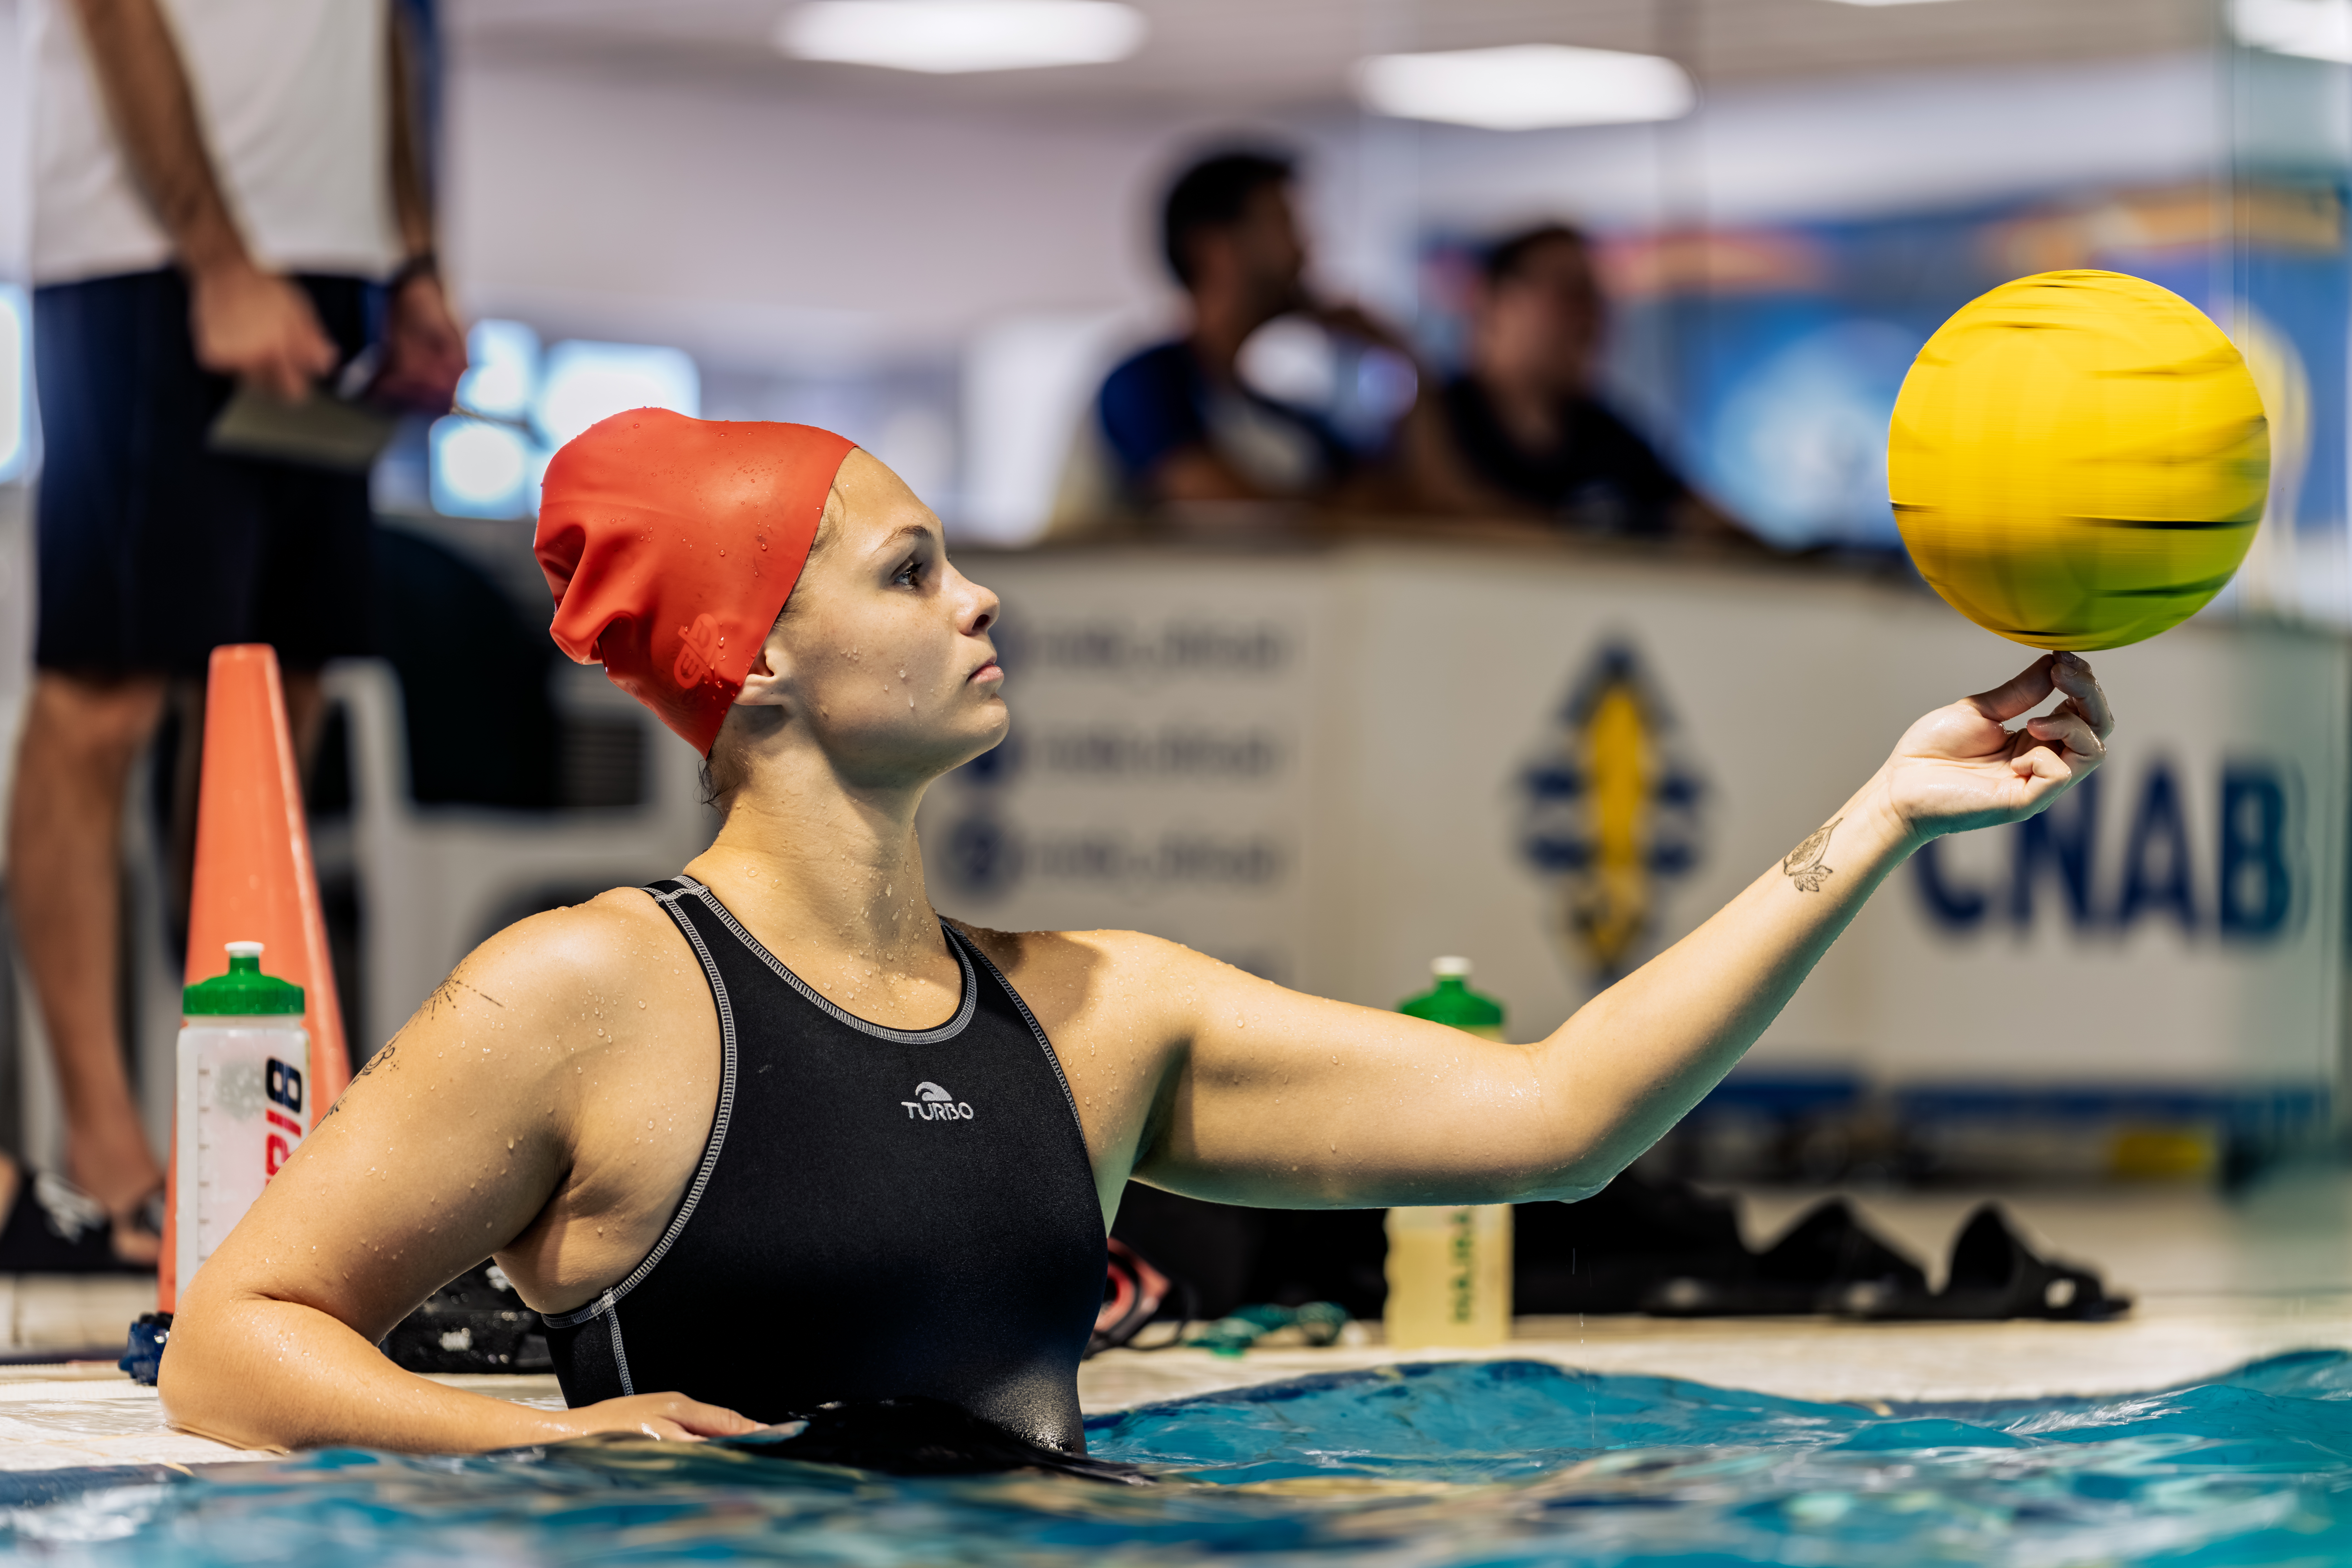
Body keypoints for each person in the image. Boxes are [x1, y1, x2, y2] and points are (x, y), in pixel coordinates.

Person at [159, 411, 2111, 1453]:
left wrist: (1875, 815)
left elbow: (1557, 1118)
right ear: (754, 658)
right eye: (914, 568)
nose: (984, 596)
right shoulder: (582, 993)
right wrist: (525, 1455)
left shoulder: (1095, 1010)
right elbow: (235, 1341)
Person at [4, 0, 466, 1268]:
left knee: (273, 707)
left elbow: (381, 28)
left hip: (335, 256)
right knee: (102, 696)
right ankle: (105, 1159)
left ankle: (248, 1146)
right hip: (142, 252)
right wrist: (213, 258)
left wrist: (411, 255)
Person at [1090, 149, 1407, 514]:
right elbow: (1234, 515)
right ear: (1213, 251)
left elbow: (1400, 499)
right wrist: (1339, 508)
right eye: (1284, 225)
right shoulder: (1143, 383)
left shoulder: (1279, 415)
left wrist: (1399, 353)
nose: (1305, 250)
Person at [1414, 223, 1743, 540]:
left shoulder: (1608, 436)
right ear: (1493, 301)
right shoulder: (1433, 422)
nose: (1588, 315)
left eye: (1594, 298)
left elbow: (1698, 516)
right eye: (1567, 293)